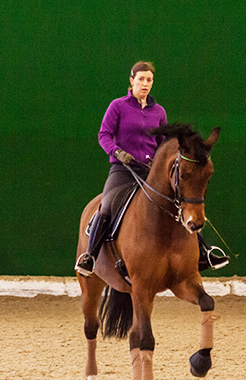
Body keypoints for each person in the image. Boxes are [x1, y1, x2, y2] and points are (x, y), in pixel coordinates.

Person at [75, 61, 229, 277]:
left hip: (149, 170)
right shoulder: (117, 106)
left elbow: (163, 144)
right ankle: (89, 256)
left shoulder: (159, 111)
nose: (145, 84)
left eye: (149, 80)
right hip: (122, 169)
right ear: (132, 81)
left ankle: (205, 251)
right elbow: (104, 135)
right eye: (141, 79)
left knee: (178, 202)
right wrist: (117, 152)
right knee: (107, 205)